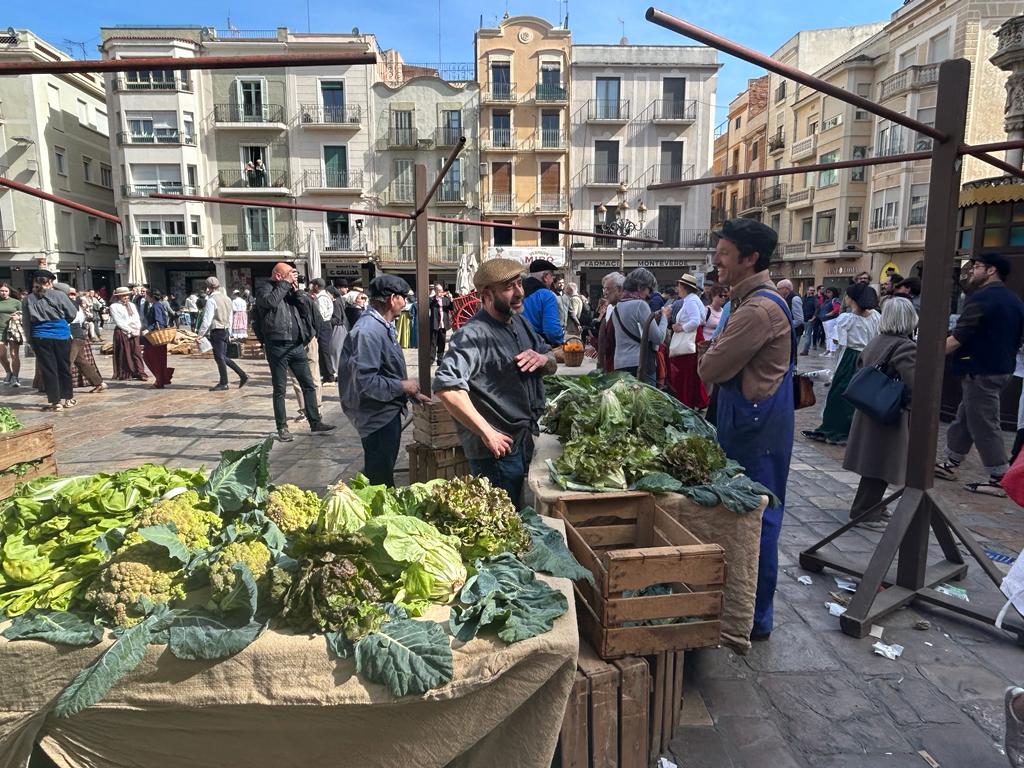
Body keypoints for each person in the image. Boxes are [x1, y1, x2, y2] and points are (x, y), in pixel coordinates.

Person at [698, 218, 793, 642]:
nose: (717, 260)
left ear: (750, 258)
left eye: (723, 252)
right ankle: (744, 607)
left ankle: (755, 616)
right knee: (748, 516)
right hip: (748, 419)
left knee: (759, 520)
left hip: (758, 426)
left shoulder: (758, 309)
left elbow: (711, 366)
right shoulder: (746, 301)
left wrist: (711, 353)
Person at [434, 258, 556, 509]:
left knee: (518, 511)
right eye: (510, 287)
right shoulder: (473, 335)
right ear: (487, 294)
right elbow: (447, 387)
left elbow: (552, 357)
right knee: (502, 523)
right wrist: (487, 433)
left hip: (522, 438)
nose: (520, 292)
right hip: (496, 451)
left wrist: (543, 358)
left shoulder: (519, 322)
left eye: (520, 284)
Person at [936, 253, 1024, 496]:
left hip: (982, 370)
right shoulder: (1014, 299)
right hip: (1002, 368)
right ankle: (951, 462)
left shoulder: (982, 298)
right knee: (966, 417)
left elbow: (959, 337)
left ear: (991, 270)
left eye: (976, 267)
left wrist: (926, 355)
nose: (972, 271)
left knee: (984, 423)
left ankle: (999, 477)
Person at [339, 276, 428, 486]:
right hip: (376, 417)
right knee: (379, 479)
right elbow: (365, 382)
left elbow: (386, 369)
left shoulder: (383, 325)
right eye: (403, 298)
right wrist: (403, 386)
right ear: (392, 299)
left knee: (383, 471)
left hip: (386, 411)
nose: (405, 303)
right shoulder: (368, 331)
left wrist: (412, 393)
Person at [842, 297, 917, 530]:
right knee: (881, 463)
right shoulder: (906, 347)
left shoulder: (876, 341)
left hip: (869, 410)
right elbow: (914, 383)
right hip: (888, 413)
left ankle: (874, 506)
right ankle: (864, 511)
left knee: (876, 462)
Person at [252, 261, 335, 442]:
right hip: (276, 345)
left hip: (296, 345)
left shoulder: (289, 290)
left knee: (308, 384)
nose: (293, 276)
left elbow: (305, 307)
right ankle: (282, 427)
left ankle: (315, 421)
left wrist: (297, 290)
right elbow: (270, 302)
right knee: (280, 389)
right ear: (279, 275)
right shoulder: (264, 288)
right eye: (290, 274)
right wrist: (285, 284)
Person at [802, 283, 881, 446]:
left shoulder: (846, 319)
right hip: (870, 356)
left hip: (850, 357)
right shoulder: (876, 317)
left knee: (839, 393)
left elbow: (839, 341)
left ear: (851, 299)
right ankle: (854, 430)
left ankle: (835, 428)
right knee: (861, 394)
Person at [21, 270, 77, 411]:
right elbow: (72, 314)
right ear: (50, 282)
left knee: (48, 369)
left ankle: (55, 401)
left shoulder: (28, 299)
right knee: (64, 367)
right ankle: (68, 398)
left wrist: (29, 340)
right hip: (61, 335)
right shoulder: (60, 295)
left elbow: (26, 322)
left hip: (40, 336)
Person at [611, 268, 666, 385]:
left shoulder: (617, 307)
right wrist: (665, 317)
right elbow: (659, 338)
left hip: (620, 364)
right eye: (648, 289)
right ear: (640, 287)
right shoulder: (640, 305)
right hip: (641, 365)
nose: (649, 294)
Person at [198, 277, 248, 392]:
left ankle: (228, 381)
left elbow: (207, 320)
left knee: (220, 357)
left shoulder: (211, 300)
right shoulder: (227, 299)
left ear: (208, 288)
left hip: (217, 330)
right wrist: (230, 332)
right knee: (221, 357)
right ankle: (235, 378)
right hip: (225, 330)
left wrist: (200, 334)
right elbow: (230, 317)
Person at [667, 273, 708, 408]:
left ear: (683, 287)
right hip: (694, 338)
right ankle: (694, 400)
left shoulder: (690, 301)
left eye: (679, 286)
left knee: (684, 374)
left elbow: (695, 320)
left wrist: (681, 328)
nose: (677, 289)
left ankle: (686, 401)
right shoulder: (694, 299)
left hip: (689, 340)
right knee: (692, 374)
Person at [65, 287, 105, 393]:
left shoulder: (68, 305)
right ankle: (99, 383)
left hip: (72, 335)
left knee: (67, 361)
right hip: (79, 334)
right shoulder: (77, 305)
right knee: (81, 361)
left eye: (73, 294)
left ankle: (64, 388)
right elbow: (82, 319)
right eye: (70, 294)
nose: (72, 296)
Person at [521, 259, 564, 347]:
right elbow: (552, 331)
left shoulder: (517, 292)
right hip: (537, 348)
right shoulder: (547, 295)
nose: (552, 280)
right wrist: (560, 341)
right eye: (552, 276)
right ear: (545, 277)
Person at [108, 286, 147, 381]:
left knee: (137, 351)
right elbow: (119, 321)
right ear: (118, 297)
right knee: (124, 352)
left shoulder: (132, 305)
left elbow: (136, 318)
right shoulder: (114, 306)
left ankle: (140, 372)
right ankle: (126, 372)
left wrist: (137, 328)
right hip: (122, 331)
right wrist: (129, 330)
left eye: (126, 295)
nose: (126, 297)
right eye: (123, 296)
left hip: (135, 330)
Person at [141, 290, 174, 388]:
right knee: (158, 358)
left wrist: (148, 329)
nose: (145, 297)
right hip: (157, 337)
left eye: (146, 295)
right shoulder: (157, 305)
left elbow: (159, 322)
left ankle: (160, 379)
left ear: (151, 296)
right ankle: (161, 379)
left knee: (152, 357)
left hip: (156, 337)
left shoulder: (156, 306)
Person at [594, 271, 625, 371]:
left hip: (622, 366)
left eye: (608, 289)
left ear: (620, 289)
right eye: (604, 289)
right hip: (610, 364)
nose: (605, 292)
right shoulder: (610, 307)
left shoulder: (626, 308)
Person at [310, 278, 336, 382]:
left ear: (316, 286)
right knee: (322, 350)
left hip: (323, 325)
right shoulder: (321, 296)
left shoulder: (321, 298)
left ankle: (329, 375)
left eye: (312, 285)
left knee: (324, 351)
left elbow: (320, 314)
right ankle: (325, 374)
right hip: (324, 324)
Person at [0, 283, 22, 387]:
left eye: (5, 291)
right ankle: (9, 372)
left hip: (12, 331)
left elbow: (23, 314)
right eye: (1, 291)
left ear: (9, 292)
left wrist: (18, 316)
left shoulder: (16, 302)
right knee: (1, 355)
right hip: (0, 331)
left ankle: (16, 377)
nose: (3, 292)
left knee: (14, 355)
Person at [428, 282, 453, 365]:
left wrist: (451, 299)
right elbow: (428, 304)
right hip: (435, 324)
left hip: (443, 324)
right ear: (435, 291)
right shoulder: (432, 299)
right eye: (439, 290)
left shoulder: (445, 299)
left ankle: (440, 360)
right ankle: (431, 360)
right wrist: (436, 298)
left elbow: (451, 308)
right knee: (433, 343)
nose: (441, 292)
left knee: (442, 343)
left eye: (441, 290)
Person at [818, 287, 842, 357]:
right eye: (827, 292)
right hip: (825, 320)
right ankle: (828, 350)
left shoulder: (835, 300)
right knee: (827, 336)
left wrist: (829, 314)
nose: (827, 294)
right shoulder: (827, 300)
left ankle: (832, 352)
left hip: (831, 320)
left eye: (829, 292)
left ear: (833, 293)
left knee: (831, 336)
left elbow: (837, 309)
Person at [799, 286, 818, 356]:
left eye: (813, 290)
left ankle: (805, 350)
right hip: (802, 319)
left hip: (809, 319)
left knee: (807, 335)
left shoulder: (814, 299)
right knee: (801, 335)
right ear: (807, 290)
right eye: (811, 290)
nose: (812, 291)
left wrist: (813, 318)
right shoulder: (803, 298)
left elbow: (817, 308)